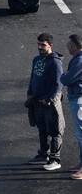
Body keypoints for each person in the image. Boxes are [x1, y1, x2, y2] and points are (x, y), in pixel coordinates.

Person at [26, 33, 64, 171]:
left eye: (43, 45)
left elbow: (58, 84)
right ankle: (44, 154)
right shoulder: (36, 60)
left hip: (49, 103)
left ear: (50, 45)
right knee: (42, 129)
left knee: (55, 130)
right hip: (37, 102)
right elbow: (33, 77)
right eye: (38, 44)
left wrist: (49, 99)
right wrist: (30, 93)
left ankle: (55, 158)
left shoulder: (55, 62)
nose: (40, 47)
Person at [59, 34, 82, 179]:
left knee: (81, 134)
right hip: (77, 97)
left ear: (75, 45)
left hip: (79, 99)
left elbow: (66, 79)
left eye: (69, 44)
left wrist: (63, 75)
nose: (67, 46)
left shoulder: (80, 60)